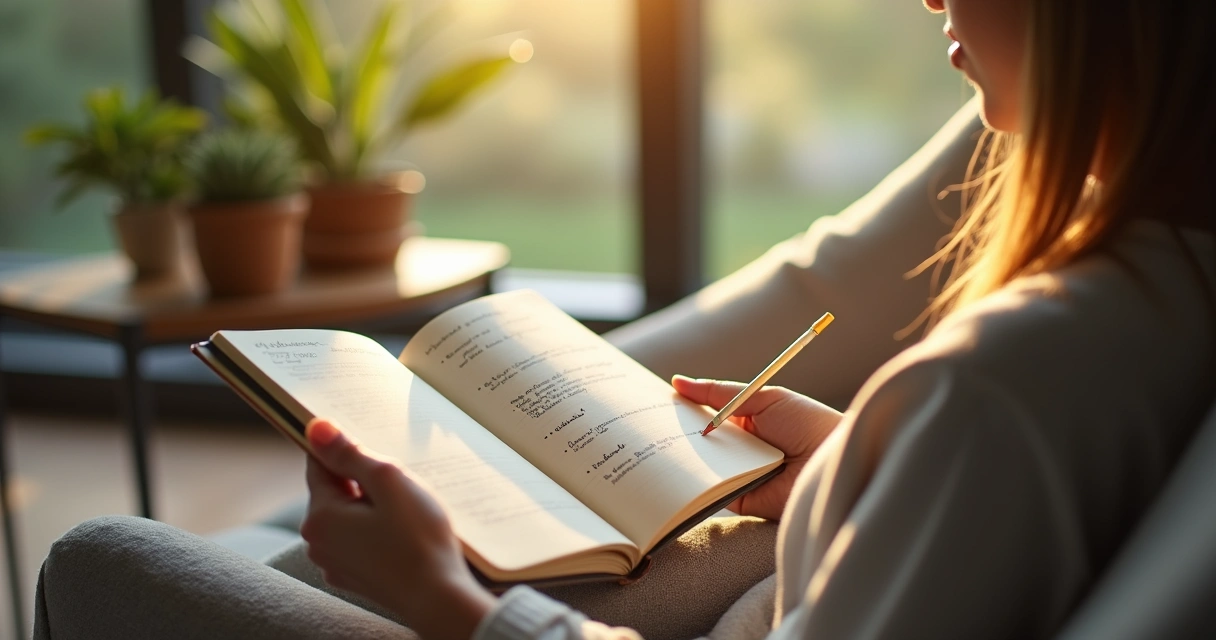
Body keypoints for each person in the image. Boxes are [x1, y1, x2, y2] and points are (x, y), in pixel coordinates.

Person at [33, 0, 1216, 638]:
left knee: (103, 562)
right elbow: (975, 547)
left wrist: (457, 606)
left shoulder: (997, 386)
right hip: (773, 594)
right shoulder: (1156, 294)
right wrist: (845, 471)